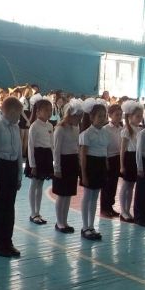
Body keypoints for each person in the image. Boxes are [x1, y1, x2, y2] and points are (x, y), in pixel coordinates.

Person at [0, 96, 24, 258]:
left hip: (11, 169)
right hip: (0, 168)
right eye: (19, 113)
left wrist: (19, 176)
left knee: (10, 208)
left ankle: (7, 241)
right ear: (11, 111)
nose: (20, 116)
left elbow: (19, 153)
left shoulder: (16, 127)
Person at [79, 99, 109, 240]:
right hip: (91, 165)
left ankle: (91, 226)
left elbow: (105, 151)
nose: (102, 119)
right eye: (99, 116)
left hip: (100, 165)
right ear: (91, 117)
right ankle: (85, 227)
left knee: (95, 197)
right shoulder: (86, 134)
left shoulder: (105, 132)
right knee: (87, 196)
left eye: (104, 116)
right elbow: (83, 156)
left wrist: (106, 165)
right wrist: (84, 174)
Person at [53, 99, 83, 233]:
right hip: (63, 162)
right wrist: (57, 168)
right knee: (61, 195)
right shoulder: (60, 129)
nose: (79, 120)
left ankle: (64, 221)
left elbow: (76, 147)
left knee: (68, 194)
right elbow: (56, 150)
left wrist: (79, 162)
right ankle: (59, 222)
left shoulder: (76, 128)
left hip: (72, 162)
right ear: (71, 115)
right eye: (78, 117)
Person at [25, 95, 54, 225]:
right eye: (46, 110)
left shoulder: (50, 126)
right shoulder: (34, 126)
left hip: (46, 156)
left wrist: (53, 160)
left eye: (50, 110)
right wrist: (32, 164)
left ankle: (38, 212)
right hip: (37, 156)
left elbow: (52, 144)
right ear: (38, 111)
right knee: (34, 184)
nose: (49, 112)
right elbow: (30, 146)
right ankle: (33, 213)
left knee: (40, 185)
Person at [119, 100, 143, 223]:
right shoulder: (126, 130)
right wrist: (122, 165)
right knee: (126, 186)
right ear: (130, 117)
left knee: (131, 186)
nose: (140, 118)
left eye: (141, 116)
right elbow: (122, 150)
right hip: (129, 158)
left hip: (136, 158)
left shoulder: (140, 130)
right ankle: (123, 211)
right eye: (137, 116)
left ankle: (128, 210)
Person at [101, 104, 123, 218]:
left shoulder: (121, 128)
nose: (119, 117)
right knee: (107, 185)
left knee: (114, 184)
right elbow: (104, 146)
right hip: (109, 158)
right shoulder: (105, 129)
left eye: (120, 115)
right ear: (110, 115)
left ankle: (110, 206)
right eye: (116, 115)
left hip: (118, 157)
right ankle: (104, 208)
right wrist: (105, 161)